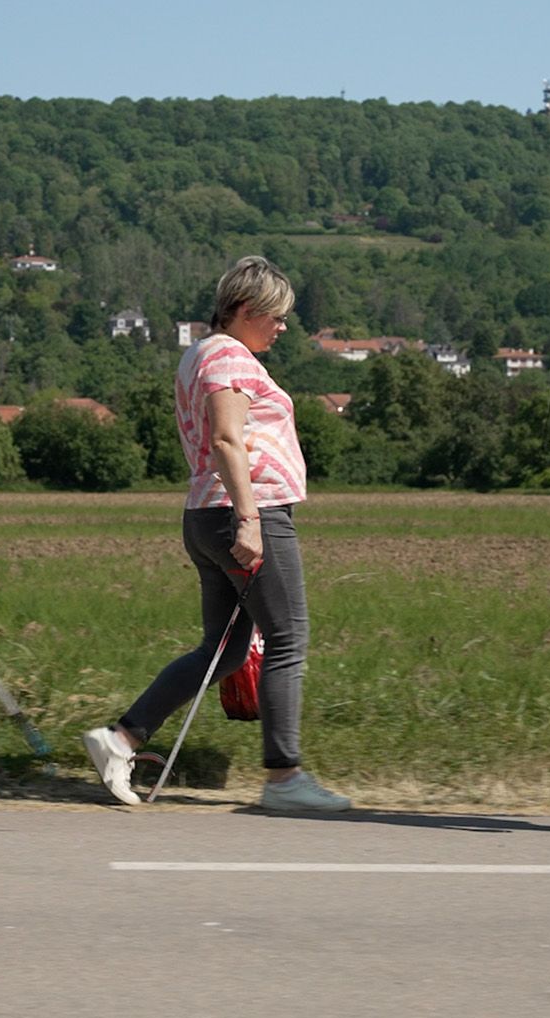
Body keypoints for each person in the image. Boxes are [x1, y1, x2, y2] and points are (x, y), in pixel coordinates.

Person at [82, 255, 350, 812]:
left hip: (207, 512)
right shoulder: (229, 356)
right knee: (287, 638)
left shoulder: (200, 354)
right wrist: (250, 520)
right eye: (276, 316)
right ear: (245, 309)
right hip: (246, 511)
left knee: (224, 650)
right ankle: (284, 779)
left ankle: (122, 739)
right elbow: (228, 439)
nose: (283, 327)